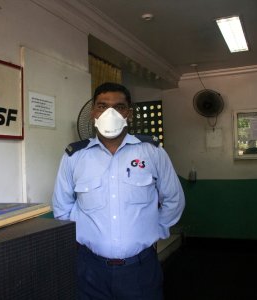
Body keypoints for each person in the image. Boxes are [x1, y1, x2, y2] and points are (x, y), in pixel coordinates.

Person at [52, 82, 185, 299]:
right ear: (93, 112)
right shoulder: (74, 157)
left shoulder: (152, 152)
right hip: (89, 269)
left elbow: (173, 199)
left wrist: (156, 231)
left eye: (119, 107)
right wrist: (78, 242)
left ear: (129, 114)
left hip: (140, 269)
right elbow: (62, 207)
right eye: (102, 106)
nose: (110, 113)